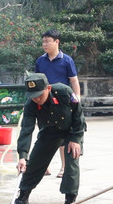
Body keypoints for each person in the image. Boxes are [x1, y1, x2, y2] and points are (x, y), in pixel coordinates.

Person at [4, 73, 86, 204]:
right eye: (33, 96)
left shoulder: (64, 92)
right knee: (33, 162)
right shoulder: (31, 104)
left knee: (71, 164)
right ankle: (22, 199)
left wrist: (75, 138)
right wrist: (23, 156)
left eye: (39, 95)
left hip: (71, 132)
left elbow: (79, 116)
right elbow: (26, 129)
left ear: (48, 88)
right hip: (50, 132)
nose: (36, 99)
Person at [31, 29, 82, 177]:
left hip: (63, 102)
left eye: (48, 41)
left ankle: (64, 167)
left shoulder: (67, 60)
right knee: (45, 134)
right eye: (43, 41)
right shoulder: (40, 61)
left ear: (57, 42)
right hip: (45, 102)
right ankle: (44, 166)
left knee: (63, 135)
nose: (44, 44)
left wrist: (77, 97)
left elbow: (74, 80)